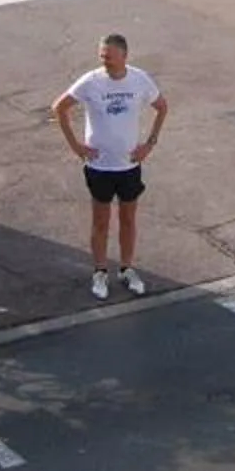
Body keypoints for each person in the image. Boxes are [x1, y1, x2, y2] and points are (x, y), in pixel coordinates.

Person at [53, 33, 165, 300]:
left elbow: (162, 107)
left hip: (129, 166)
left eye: (110, 57)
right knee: (101, 221)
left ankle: (126, 268)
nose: (105, 61)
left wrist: (149, 144)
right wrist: (76, 147)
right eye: (102, 56)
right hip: (100, 167)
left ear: (124, 56)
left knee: (128, 219)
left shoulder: (139, 79)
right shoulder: (91, 81)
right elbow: (59, 108)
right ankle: (100, 271)